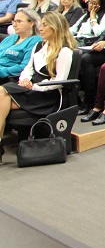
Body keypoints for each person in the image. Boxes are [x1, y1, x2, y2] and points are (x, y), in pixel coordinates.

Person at [0, 12, 77, 160]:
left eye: (45, 25)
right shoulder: (39, 46)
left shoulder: (64, 51)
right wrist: (24, 80)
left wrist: (35, 86)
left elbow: (59, 82)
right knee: (1, 93)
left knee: (1, 95)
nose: (40, 28)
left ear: (55, 27)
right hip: (31, 89)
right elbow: (27, 69)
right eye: (41, 24)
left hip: (46, 95)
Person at [0, 9, 42, 81]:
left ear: (31, 23)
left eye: (19, 21)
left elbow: (25, 66)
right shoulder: (11, 38)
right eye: (14, 21)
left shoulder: (35, 40)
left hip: (8, 77)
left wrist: (3, 72)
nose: (14, 24)